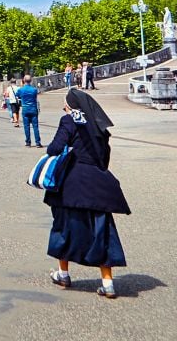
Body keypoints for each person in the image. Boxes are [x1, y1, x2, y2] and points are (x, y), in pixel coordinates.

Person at [43, 89, 130, 298]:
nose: (64, 108)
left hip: (72, 182)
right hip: (98, 182)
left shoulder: (68, 121)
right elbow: (104, 155)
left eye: (65, 104)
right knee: (102, 230)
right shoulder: (98, 125)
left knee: (65, 226)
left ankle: (63, 273)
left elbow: (55, 148)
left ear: (71, 107)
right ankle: (108, 282)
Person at [18, 74, 41, 147]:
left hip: (25, 108)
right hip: (33, 108)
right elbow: (35, 96)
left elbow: (18, 95)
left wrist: (22, 85)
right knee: (35, 126)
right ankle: (38, 142)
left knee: (26, 126)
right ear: (31, 81)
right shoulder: (34, 89)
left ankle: (28, 142)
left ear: (24, 80)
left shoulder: (21, 89)